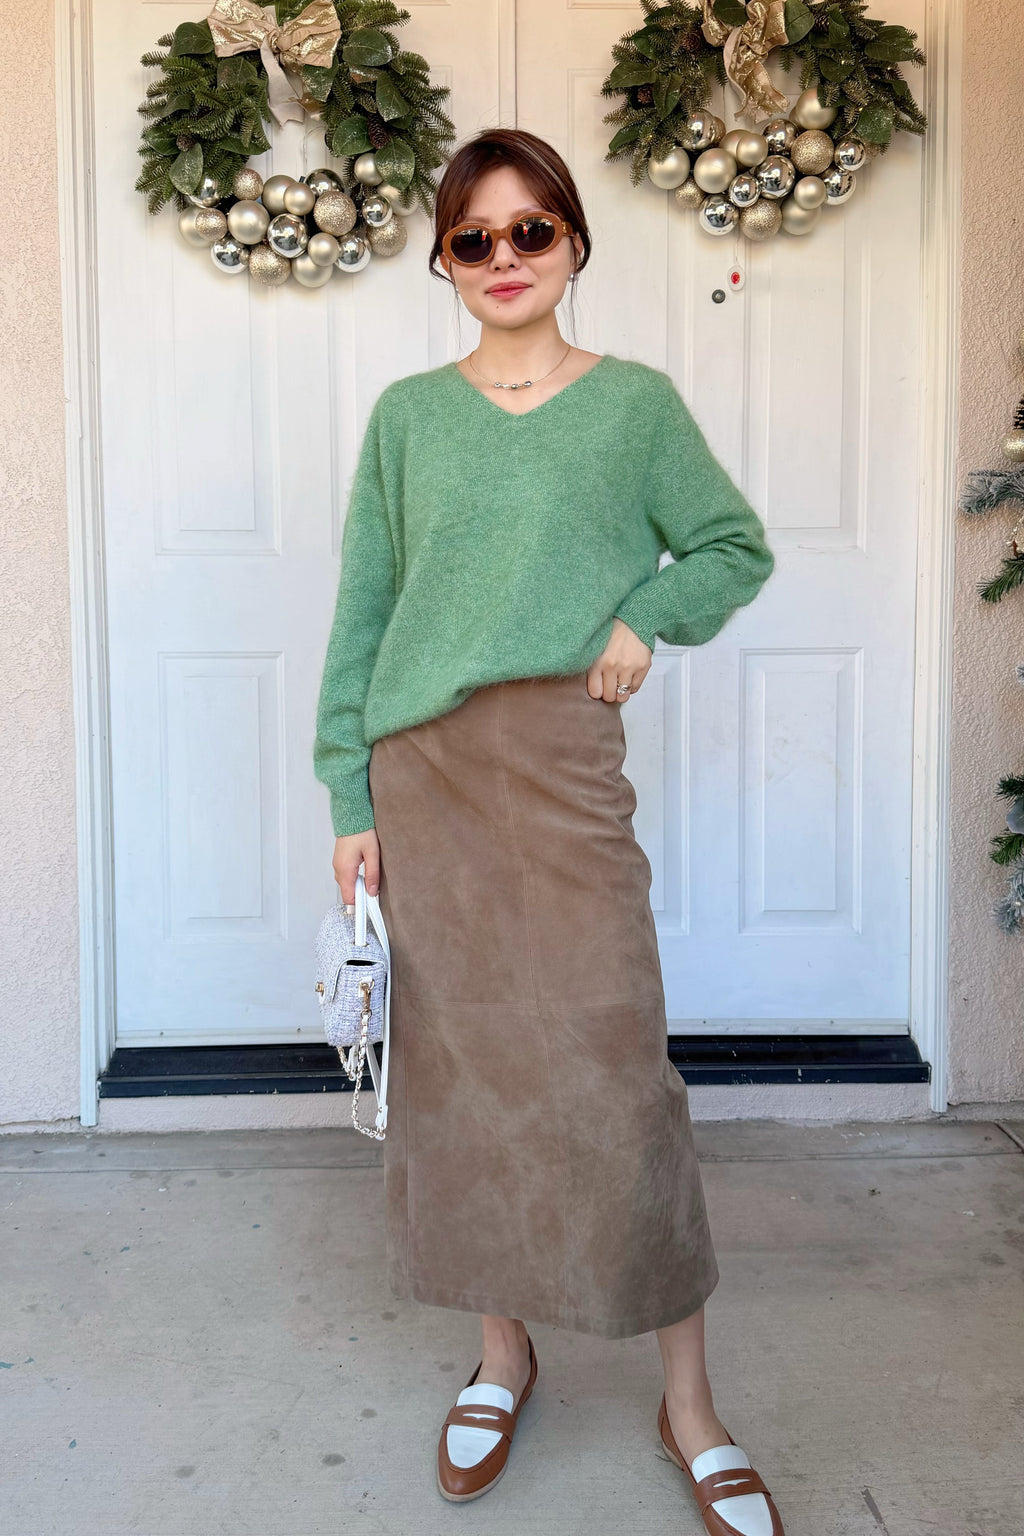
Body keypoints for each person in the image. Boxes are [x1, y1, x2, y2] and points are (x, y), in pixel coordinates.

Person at [313, 127, 784, 1536]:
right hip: (426, 774)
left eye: (531, 230)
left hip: (565, 767)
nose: (504, 258)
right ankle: (501, 1356)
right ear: (445, 261)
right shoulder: (408, 417)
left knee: (615, 1071)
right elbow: (364, 612)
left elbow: (731, 546)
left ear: (574, 241)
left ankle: (690, 1404)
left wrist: (646, 618)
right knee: (465, 1076)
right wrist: (348, 793)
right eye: (474, 238)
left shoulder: (633, 406)